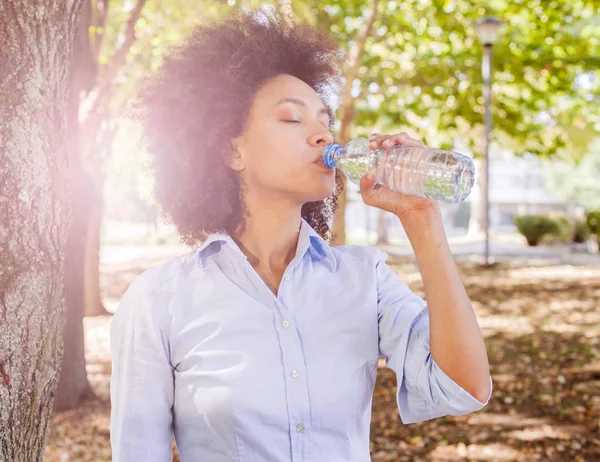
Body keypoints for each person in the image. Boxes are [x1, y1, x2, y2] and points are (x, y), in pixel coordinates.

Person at [110, 9, 492, 462]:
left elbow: (465, 388)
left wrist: (422, 218)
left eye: (324, 121)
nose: (320, 135)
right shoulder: (160, 299)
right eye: (292, 119)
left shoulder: (363, 278)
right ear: (232, 149)